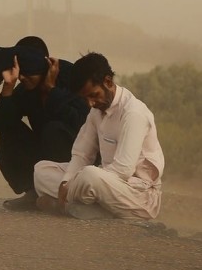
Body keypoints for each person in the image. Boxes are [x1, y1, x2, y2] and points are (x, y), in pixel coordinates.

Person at [33, 52, 165, 219]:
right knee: (41, 171)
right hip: (103, 184)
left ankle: (69, 206)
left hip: (138, 195)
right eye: (85, 98)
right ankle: (84, 209)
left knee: (90, 175)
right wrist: (65, 182)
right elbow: (82, 154)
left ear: (108, 82)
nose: (90, 103)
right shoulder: (96, 112)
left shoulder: (133, 113)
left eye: (94, 95)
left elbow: (123, 170)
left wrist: (76, 183)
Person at [0, 36, 90, 212]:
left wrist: (52, 91)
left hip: (79, 157)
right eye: (20, 73)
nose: (23, 78)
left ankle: (60, 194)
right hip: (45, 155)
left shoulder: (70, 80)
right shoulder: (26, 90)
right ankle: (33, 192)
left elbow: (82, 122)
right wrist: (8, 87)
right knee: (9, 129)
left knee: (53, 130)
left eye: (28, 73)